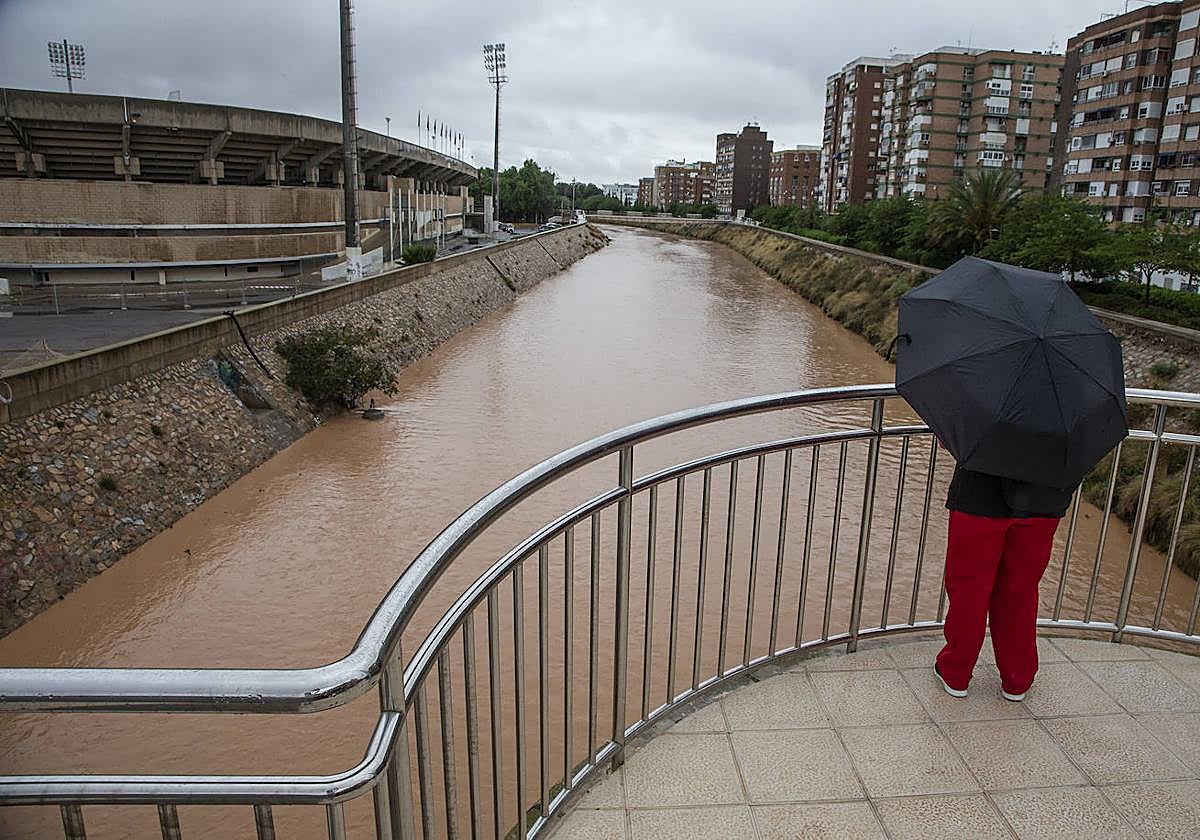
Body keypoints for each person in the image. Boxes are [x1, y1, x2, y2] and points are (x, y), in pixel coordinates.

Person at [934, 462, 1073, 702]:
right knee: (1021, 590)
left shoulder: (985, 422)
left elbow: (955, 439)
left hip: (980, 497)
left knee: (969, 590)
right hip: (1044, 500)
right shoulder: (1070, 424)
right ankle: (1018, 679)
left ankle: (956, 671)